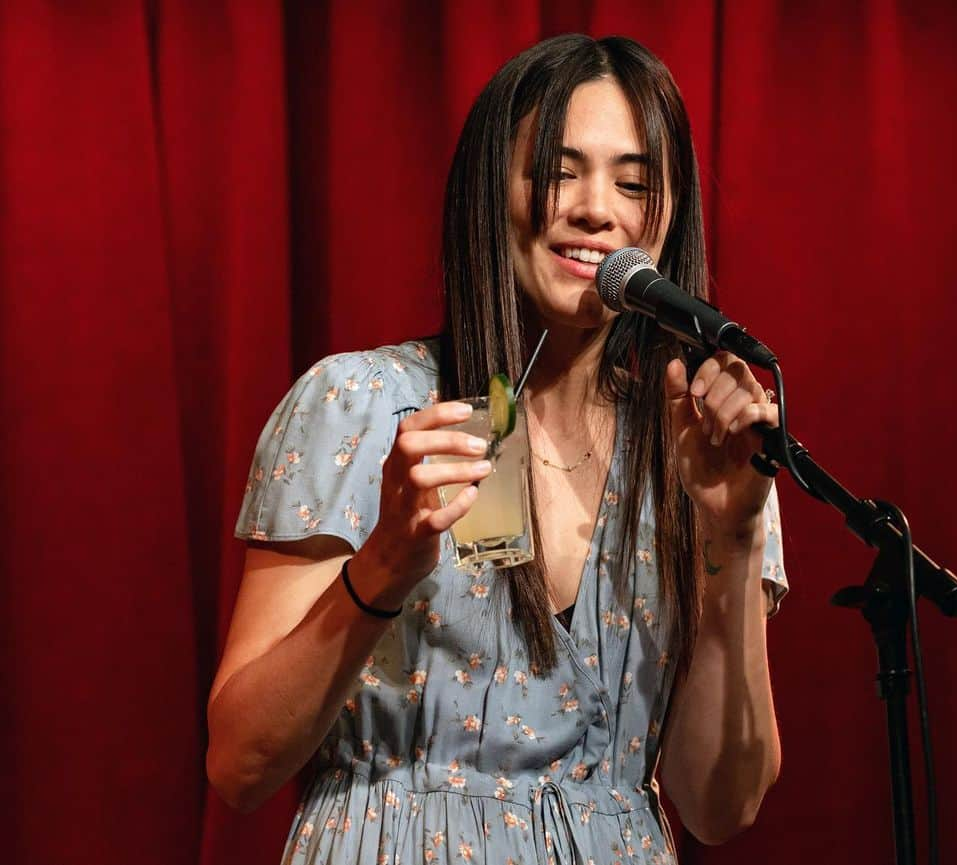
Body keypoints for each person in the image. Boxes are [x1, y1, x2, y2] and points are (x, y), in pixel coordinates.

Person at [207, 33, 788, 865]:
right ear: (492, 192)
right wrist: (385, 563)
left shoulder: (705, 448)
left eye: (634, 182)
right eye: (558, 171)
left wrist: (731, 541)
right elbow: (239, 764)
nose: (598, 209)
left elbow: (719, 803)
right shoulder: (363, 405)